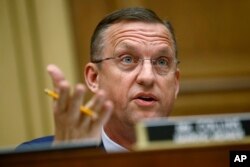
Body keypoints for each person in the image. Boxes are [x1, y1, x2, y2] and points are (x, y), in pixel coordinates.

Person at [16, 7, 180, 152]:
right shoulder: (32, 158)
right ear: (94, 78)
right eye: (128, 59)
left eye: (161, 62)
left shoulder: (204, 154)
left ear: (176, 82)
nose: (147, 77)